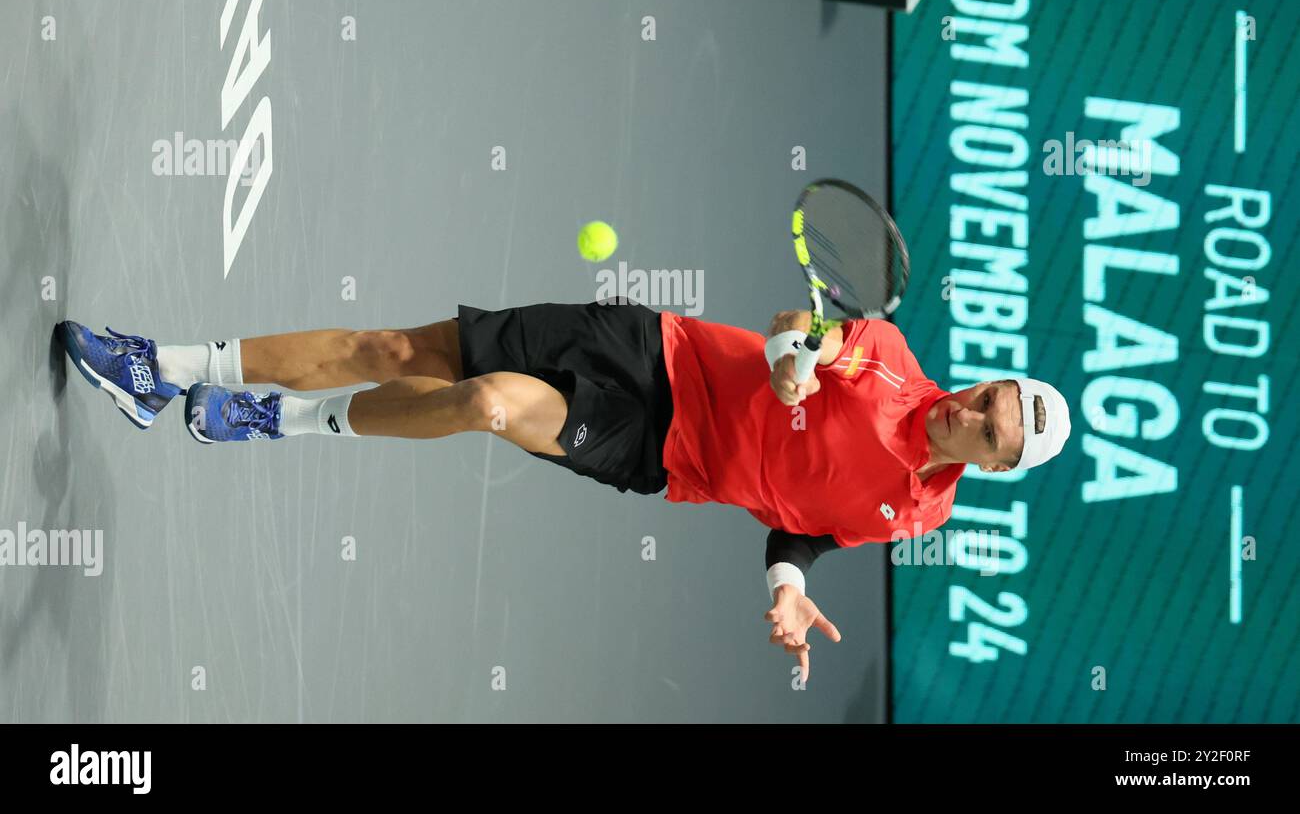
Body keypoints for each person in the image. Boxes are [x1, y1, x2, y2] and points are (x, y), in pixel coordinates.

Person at [58, 299, 1069, 681]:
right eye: (987, 395)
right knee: (396, 347)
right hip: (650, 346)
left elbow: (798, 527)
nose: (969, 413)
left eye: (988, 431)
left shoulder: (913, 511)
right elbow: (804, 338)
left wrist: (786, 588)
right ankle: (164, 365)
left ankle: (273, 418)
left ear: (990, 468)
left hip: (655, 452)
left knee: (489, 403)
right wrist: (790, 357)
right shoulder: (886, 354)